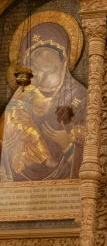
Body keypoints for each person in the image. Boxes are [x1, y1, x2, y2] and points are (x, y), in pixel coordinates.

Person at [0, 21, 87, 182]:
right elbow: (5, 142)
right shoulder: (22, 95)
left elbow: (94, 155)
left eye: (40, 53)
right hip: (18, 193)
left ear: (62, 56)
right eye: (30, 56)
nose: (35, 60)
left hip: (68, 194)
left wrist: (66, 145)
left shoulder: (81, 97)